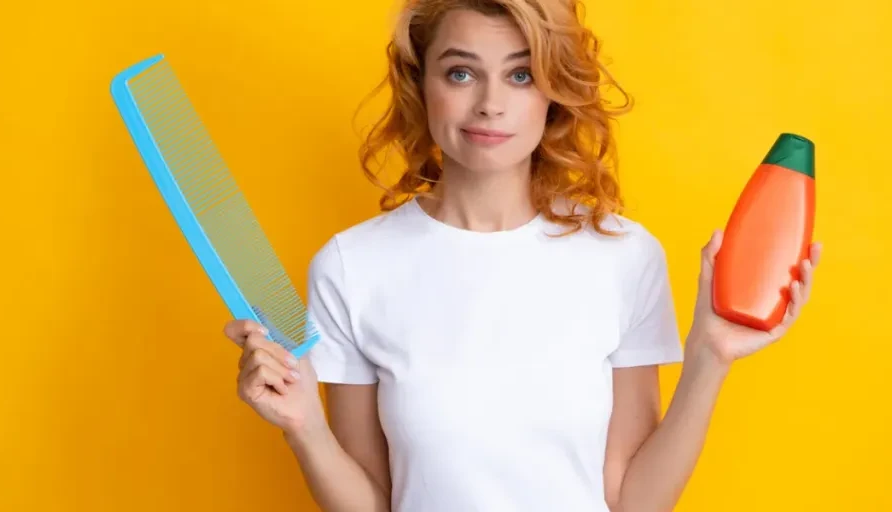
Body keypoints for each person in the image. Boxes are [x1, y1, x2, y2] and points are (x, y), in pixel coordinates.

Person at [222, 1, 823, 511]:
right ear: (420, 83)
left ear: (554, 93)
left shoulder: (623, 255)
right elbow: (374, 501)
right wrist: (305, 428)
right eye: (461, 74)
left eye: (520, 75)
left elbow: (632, 499)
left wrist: (709, 358)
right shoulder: (352, 267)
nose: (490, 104)